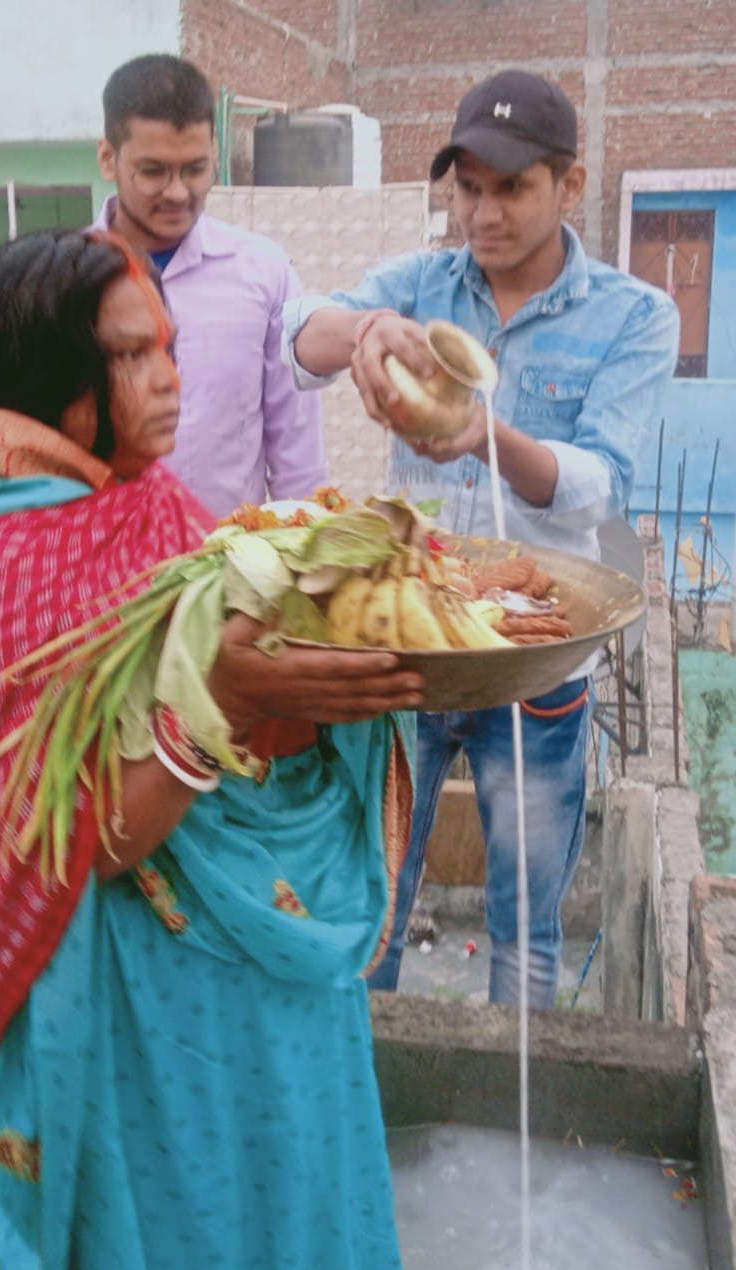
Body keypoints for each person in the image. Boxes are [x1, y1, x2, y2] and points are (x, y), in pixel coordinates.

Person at [0, 228, 424, 1270]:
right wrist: (222, 691)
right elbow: (58, 854)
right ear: (50, 372)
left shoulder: (144, 499)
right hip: (128, 1014)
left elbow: (237, 694)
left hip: (252, 974)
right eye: (130, 356)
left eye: (168, 347)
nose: (168, 380)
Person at [284, 69, 680, 1008]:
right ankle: (362, 1107)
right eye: (467, 187)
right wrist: (372, 333)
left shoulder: (632, 316)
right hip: (411, 647)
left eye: (510, 188)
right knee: (375, 894)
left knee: (525, 926)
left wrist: (485, 438)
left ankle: (513, 1127)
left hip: (532, 664)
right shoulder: (424, 284)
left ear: (568, 185)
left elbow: (602, 486)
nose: (483, 213)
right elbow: (301, 339)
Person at [93, 53, 327, 519]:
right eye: (154, 171)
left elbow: (298, 456)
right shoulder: (64, 284)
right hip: (104, 578)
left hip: (233, 577)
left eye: (196, 170)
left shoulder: (263, 272)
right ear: (108, 158)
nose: (178, 192)